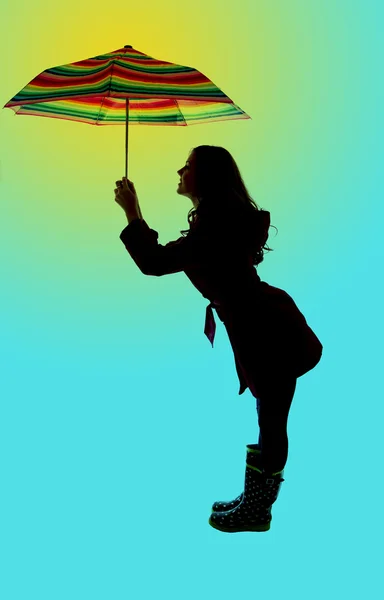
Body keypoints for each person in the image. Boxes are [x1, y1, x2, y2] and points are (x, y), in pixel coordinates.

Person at [114, 145, 323, 534]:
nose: (180, 170)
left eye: (188, 165)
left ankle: (258, 512)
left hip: (265, 331)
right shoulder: (214, 226)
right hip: (261, 324)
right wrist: (135, 211)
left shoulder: (212, 232)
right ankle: (254, 503)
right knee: (269, 416)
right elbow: (164, 258)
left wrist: (132, 210)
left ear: (206, 177)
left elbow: (154, 263)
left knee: (272, 420)